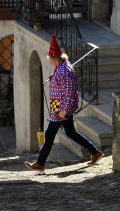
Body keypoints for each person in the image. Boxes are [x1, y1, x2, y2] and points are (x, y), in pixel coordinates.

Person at [25, 34, 104, 172]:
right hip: (59, 106)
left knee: (50, 135)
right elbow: (62, 83)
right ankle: (95, 152)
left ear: (55, 59)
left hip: (60, 108)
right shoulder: (61, 67)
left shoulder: (65, 71)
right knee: (71, 133)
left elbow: (69, 91)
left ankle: (40, 163)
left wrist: (64, 110)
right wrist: (53, 77)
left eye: (50, 60)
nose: (50, 62)